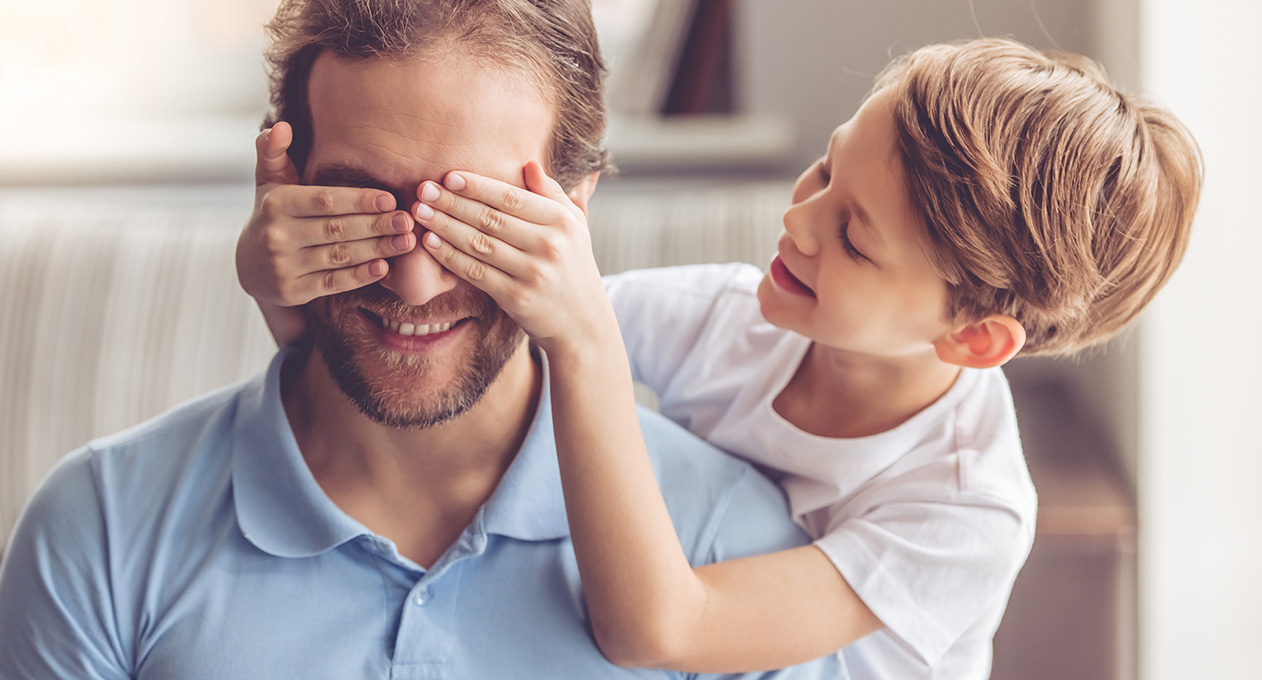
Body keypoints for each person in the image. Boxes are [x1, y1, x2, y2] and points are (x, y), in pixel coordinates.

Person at [238, 37, 1203, 678]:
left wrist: (581, 339)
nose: (799, 220)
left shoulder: (966, 509)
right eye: (826, 169)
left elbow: (663, 629)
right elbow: (430, 371)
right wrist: (277, 277)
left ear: (972, 338)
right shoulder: (728, 316)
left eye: (856, 237)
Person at [0, 1, 846, 679]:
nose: (415, 283)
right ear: (283, 190)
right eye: (362, 210)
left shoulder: (728, 542)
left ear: (575, 208)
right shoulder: (100, 528)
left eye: (477, 221)